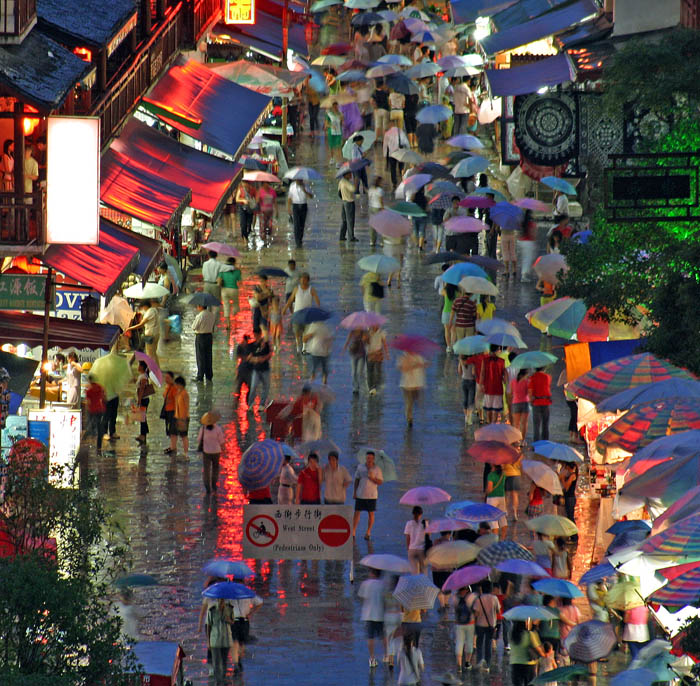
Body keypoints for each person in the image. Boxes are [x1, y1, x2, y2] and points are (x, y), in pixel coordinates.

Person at [283, 272, 320, 353]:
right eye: (301, 279)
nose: (303, 281)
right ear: (299, 280)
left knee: (306, 331)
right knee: (296, 331)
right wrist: (285, 309)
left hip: (307, 315)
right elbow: (290, 299)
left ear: (308, 280)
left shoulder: (311, 289)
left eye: (304, 279)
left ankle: (304, 348)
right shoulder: (296, 288)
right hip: (297, 315)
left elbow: (317, 301)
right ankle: (297, 344)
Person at [352, 450, 383, 539]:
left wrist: (373, 478)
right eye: (367, 457)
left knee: (371, 514)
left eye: (370, 458)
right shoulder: (360, 467)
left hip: (372, 495)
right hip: (360, 494)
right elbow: (357, 480)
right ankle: (353, 531)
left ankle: (368, 532)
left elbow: (380, 482)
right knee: (357, 513)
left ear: (373, 459)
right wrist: (355, 492)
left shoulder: (377, 469)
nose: (368, 459)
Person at [358, 567, 385, 668]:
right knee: (383, 636)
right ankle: (386, 655)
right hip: (380, 614)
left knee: (370, 637)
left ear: (372, 573)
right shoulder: (383, 585)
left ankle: (372, 658)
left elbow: (361, 597)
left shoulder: (366, 584)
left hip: (368, 614)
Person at [473, 580, 500, 672]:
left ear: (482, 589)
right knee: (488, 644)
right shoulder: (494, 598)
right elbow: (498, 611)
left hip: (480, 624)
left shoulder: (478, 599)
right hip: (491, 624)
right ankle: (487, 665)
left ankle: (479, 662)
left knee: (479, 644)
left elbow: (476, 613)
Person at [509, 620, 545, 686]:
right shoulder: (530, 634)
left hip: (515, 664)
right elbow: (538, 650)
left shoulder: (512, 635)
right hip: (529, 664)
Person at [197, 411, 225, 494]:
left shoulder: (202, 429)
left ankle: (207, 487)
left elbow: (198, 439)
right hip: (216, 452)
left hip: (206, 452)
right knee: (215, 468)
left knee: (206, 470)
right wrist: (223, 449)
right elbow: (221, 441)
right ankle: (214, 484)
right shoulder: (218, 429)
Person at [398, 352, 428, 427]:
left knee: (413, 399)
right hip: (407, 384)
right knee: (409, 402)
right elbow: (402, 368)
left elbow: (423, 365)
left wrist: (423, 365)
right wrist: (413, 365)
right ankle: (409, 418)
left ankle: (409, 415)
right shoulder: (404, 358)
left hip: (416, 384)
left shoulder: (419, 357)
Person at [125, 301, 160, 365]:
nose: (143, 309)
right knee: (154, 353)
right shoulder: (154, 310)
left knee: (150, 354)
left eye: (143, 307)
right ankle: (157, 369)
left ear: (145, 306)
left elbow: (141, 324)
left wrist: (130, 328)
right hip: (156, 333)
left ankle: (152, 370)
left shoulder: (149, 312)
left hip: (151, 334)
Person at [207, 598, 233, 682]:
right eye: (220, 600)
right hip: (215, 640)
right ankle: (218, 681)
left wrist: (228, 619)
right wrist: (208, 641)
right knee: (216, 663)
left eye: (223, 600)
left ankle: (222, 680)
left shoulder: (229, 608)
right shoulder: (212, 610)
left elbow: (233, 621)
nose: (221, 601)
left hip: (226, 640)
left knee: (224, 662)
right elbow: (208, 625)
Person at [451, 585, 477, 672]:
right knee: (469, 642)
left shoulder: (455, 597)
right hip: (471, 623)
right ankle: (467, 662)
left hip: (459, 624)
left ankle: (459, 664)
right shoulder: (472, 596)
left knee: (459, 643)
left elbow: (455, 609)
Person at [480, 346, 507, 424]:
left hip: (488, 388)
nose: (500, 351)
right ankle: (493, 424)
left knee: (488, 408)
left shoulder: (485, 360)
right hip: (498, 388)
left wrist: (481, 385)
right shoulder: (502, 361)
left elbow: (482, 374)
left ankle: (488, 422)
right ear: (496, 351)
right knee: (496, 409)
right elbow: (504, 376)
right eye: (499, 350)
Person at [247, 328, 273, 406]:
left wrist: (264, 358)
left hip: (265, 369)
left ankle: (262, 404)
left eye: (257, 335)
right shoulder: (252, 345)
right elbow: (249, 358)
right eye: (255, 335)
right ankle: (250, 404)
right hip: (256, 369)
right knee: (253, 387)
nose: (256, 336)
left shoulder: (266, 344)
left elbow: (270, 354)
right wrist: (257, 359)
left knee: (266, 387)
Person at [303, 320, 333, 384]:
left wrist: (309, 335)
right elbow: (330, 339)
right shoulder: (326, 327)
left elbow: (304, 339)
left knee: (313, 371)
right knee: (324, 372)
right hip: (324, 352)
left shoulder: (313, 326)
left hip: (315, 352)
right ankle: (324, 385)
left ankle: (312, 384)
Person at [192, 304, 215, 383]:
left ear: (201, 306)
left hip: (201, 337)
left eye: (198, 306)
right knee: (208, 356)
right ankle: (209, 376)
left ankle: (200, 376)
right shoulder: (211, 315)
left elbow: (194, 327)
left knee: (200, 357)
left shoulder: (200, 316)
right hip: (209, 336)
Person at [286, 181, 314, 247]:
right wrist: (288, 208)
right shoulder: (292, 186)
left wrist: (305, 191)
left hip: (303, 206)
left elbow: (311, 196)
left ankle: (300, 238)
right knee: (296, 224)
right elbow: (290, 197)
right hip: (295, 206)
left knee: (302, 224)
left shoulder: (306, 186)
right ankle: (297, 241)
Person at [528, 366, 551, 442]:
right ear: (544, 368)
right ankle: (545, 441)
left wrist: (531, 401)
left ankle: (536, 442)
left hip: (536, 402)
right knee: (545, 424)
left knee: (536, 425)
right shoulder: (547, 377)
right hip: (546, 402)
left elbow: (530, 391)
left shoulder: (532, 377)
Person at [85, 374, 107, 454]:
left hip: (92, 410)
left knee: (90, 425)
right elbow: (104, 397)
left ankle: (86, 442)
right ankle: (99, 446)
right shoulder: (100, 387)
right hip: (100, 409)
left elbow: (88, 402)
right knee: (99, 426)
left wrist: (87, 409)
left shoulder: (89, 390)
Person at [217, 257, 242, 327]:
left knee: (226, 306)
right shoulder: (237, 271)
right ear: (234, 263)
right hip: (234, 290)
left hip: (224, 290)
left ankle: (228, 324)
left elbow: (219, 280)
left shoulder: (222, 270)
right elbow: (240, 282)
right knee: (236, 304)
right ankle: (234, 312)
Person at [485, 464, 508, 540]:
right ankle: (503, 539)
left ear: (493, 465)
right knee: (502, 518)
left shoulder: (491, 475)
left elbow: (490, 489)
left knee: (493, 520)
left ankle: (495, 540)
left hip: (492, 498)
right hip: (502, 497)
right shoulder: (503, 474)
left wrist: (486, 491)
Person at [509, 369, 530, 445]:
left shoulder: (513, 382)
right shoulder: (527, 382)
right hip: (525, 403)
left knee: (516, 424)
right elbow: (527, 392)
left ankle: (516, 440)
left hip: (515, 403)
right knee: (524, 423)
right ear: (525, 375)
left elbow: (511, 393)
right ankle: (522, 440)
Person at [344, 328, 368, 394]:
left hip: (361, 355)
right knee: (353, 372)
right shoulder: (352, 331)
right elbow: (348, 341)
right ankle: (355, 387)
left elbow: (366, 342)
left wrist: (364, 339)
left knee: (359, 372)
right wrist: (344, 349)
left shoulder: (364, 332)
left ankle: (360, 385)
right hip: (353, 354)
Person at [134, 360, 152, 446]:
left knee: (142, 418)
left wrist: (139, 400)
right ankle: (143, 434)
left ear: (141, 367)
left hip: (143, 400)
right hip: (143, 399)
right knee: (142, 417)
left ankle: (143, 435)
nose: (137, 367)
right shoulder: (142, 376)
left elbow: (141, 389)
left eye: (139, 365)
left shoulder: (143, 377)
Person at [366, 324, 388, 395]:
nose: (375, 326)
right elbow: (366, 342)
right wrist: (369, 336)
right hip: (370, 354)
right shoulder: (368, 332)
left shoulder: (382, 332)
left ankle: (375, 386)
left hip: (378, 354)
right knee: (370, 372)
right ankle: (370, 387)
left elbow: (384, 343)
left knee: (377, 371)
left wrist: (387, 354)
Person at [404, 506, 426, 574]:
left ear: (413, 513)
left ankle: (415, 584)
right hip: (422, 549)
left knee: (414, 572)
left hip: (412, 549)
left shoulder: (408, 523)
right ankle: (423, 584)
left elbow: (408, 537)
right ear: (421, 514)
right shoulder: (424, 523)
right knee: (423, 572)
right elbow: (428, 535)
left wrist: (408, 549)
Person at [172, 376, 189, 455]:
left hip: (182, 418)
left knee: (184, 436)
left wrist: (183, 419)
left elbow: (186, 406)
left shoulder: (185, 394)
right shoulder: (179, 393)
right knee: (179, 435)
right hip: (177, 416)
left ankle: (186, 453)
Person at [338, 170, 357, 242]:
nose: (351, 175)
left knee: (344, 220)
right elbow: (354, 189)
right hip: (349, 202)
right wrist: (356, 181)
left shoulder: (341, 181)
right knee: (350, 220)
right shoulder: (346, 182)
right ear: (346, 175)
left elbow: (339, 192)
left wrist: (343, 198)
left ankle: (342, 236)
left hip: (344, 202)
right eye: (350, 174)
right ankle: (351, 237)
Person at [503, 452, 523, 522]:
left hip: (507, 474)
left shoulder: (504, 453)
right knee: (514, 494)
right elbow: (521, 465)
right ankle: (514, 512)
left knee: (506, 494)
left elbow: (502, 466)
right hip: (516, 474)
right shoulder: (519, 454)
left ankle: (505, 511)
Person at [161, 371, 177, 453]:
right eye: (165, 377)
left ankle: (173, 447)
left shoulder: (174, 388)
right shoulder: (167, 387)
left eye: (168, 378)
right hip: (168, 410)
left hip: (173, 411)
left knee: (172, 430)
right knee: (169, 429)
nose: (166, 379)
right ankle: (172, 446)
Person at [458, 354, 476, 426]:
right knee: (470, 401)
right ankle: (469, 418)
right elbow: (473, 373)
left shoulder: (461, 362)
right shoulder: (472, 362)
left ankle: (466, 417)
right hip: (471, 382)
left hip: (464, 381)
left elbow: (459, 372)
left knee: (465, 399)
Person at [325, 100, 344, 165]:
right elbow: (326, 124)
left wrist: (342, 119)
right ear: (332, 107)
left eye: (336, 106)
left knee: (339, 146)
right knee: (331, 146)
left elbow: (342, 124)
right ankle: (332, 158)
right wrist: (331, 126)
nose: (335, 107)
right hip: (331, 132)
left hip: (338, 132)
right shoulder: (329, 114)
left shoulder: (340, 114)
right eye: (334, 106)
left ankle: (338, 161)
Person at [367, 176, 384, 247]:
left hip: (371, 208)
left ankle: (372, 241)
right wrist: (383, 209)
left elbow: (369, 198)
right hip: (378, 208)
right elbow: (381, 201)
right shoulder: (380, 190)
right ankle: (382, 241)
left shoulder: (371, 189)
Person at [442, 283, 458, 352]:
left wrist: (444, 285)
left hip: (446, 312)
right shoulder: (458, 292)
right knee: (453, 330)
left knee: (447, 330)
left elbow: (441, 292)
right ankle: (453, 345)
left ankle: (448, 347)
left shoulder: (445, 290)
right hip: (455, 312)